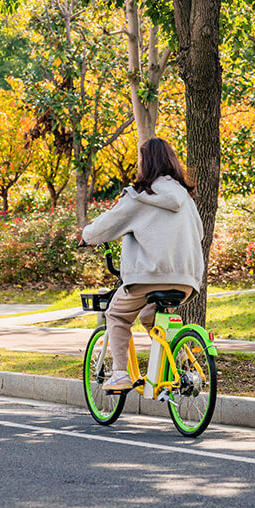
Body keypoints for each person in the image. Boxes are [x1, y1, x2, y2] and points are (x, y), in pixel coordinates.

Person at [81, 137, 204, 390]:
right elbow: (200, 233)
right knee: (150, 316)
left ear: (146, 164)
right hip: (187, 280)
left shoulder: (139, 196)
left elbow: (107, 225)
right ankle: (179, 366)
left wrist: (86, 237)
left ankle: (118, 374)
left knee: (117, 314)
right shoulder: (186, 198)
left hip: (149, 277)